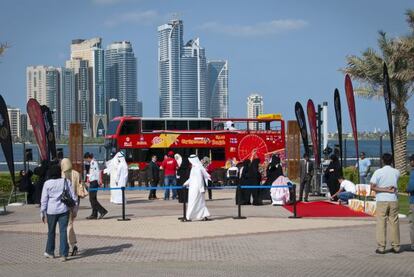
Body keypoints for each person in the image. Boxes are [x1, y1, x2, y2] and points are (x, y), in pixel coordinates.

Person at [40, 164, 77, 262]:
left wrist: (42, 212)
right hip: (63, 210)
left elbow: (44, 199)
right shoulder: (66, 181)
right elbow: (73, 196)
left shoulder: (47, 183)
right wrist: (74, 209)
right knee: (63, 232)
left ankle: (50, 252)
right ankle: (63, 254)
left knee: (51, 232)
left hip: (51, 211)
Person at [370, 153, 400, 254]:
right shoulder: (396, 172)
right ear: (392, 161)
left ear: (382, 160)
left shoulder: (378, 172)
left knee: (381, 223)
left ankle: (381, 247)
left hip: (382, 199)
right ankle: (396, 246)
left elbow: (372, 187)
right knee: (394, 222)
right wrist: (389, 189)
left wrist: (384, 189)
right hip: (393, 199)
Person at [60, 158, 80, 256]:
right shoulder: (76, 173)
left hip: (64, 203)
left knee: (67, 225)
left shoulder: (61, 174)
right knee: (70, 224)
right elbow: (79, 187)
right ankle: (73, 245)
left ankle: (68, 245)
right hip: (74, 202)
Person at [184, 154, 211, 221]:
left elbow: (200, 179)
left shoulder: (197, 167)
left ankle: (188, 217)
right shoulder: (195, 167)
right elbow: (192, 178)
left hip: (196, 189)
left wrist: (201, 188)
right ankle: (204, 216)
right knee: (200, 203)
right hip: (194, 188)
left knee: (193, 202)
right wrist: (185, 183)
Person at [85, 153, 108, 219]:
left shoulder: (93, 163)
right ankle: (94, 214)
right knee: (93, 199)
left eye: (86, 159)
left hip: (94, 182)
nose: (86, 161)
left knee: (92, 199)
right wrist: (88, 179)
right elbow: (91, 173)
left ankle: (102, 211)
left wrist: (99, 182)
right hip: (92, 182)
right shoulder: (92, 163)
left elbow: (97, 172)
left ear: (88, 157)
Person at [406, 154, 414, 251]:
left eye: (411, 160)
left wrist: (407, 189)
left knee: (412, 223)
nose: (410, 162)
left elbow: (411, 187)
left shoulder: (413, 173)